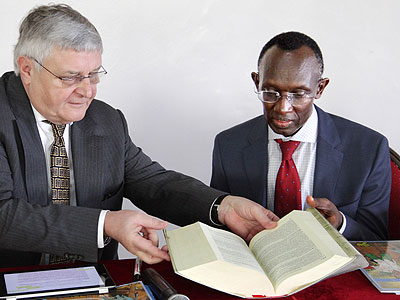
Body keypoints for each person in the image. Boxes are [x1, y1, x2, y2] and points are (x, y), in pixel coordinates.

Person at [0, 4, 280, 268]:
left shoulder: (107, 120)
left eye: (93, 75)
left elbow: (153, 183)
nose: (87, 91)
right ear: (27, 69)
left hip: (96, 281)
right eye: (71, 77)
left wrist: (223, 206)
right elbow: (3, 215)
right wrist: (106, 224)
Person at [211, 31, 390, 241]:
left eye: (298, 94)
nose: (283, 108)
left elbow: (377, 240)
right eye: (270, 92)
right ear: (257, 82)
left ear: (320, 88)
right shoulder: (229, 145)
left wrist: (340, 223)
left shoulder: (369, 148)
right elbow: (219, 223)